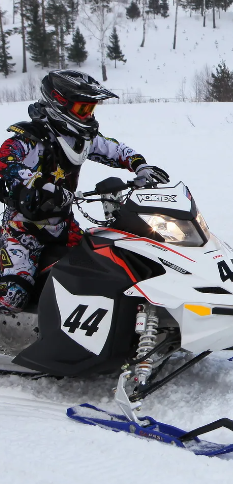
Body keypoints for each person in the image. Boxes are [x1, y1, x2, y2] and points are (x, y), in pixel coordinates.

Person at [0, 71, 169, 314]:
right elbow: (5, 163)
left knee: (102, 268)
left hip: (64, 227)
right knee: (14, 296)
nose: (88, 116)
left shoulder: (82, 137)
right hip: (24, 231)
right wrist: (40, 184)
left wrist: (141, 166)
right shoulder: (29, 139)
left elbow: (115, 149)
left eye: (91, 109)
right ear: (57, 103)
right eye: (82, 109)